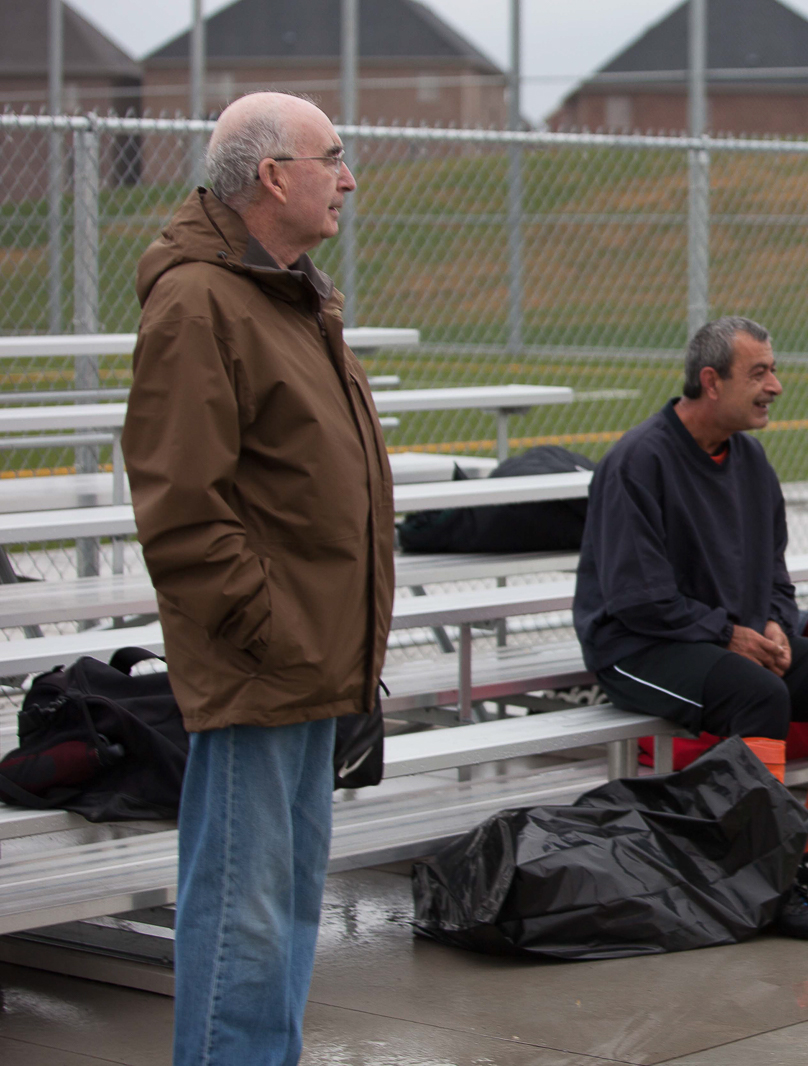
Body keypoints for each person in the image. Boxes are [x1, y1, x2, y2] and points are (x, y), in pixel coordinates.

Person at [123, 93, 393, 1066]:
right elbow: (182, 507)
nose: (348, 179)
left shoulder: (286, 294)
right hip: (265, 664)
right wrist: (271, 629)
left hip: (312, 660)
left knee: (284, 907)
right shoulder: (200, 302)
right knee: (246, 909)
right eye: (333, 158)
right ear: (274, 177)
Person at [574, 315, 808, 940]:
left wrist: (775, 622)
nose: (775, 386)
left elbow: (774, 569)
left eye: (773, 371)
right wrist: (728, 633)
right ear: (710, 381)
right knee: (758, 696)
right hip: (638, 646)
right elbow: (638, 598)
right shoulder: (639, 460)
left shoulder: (750, 459)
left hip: (729, 637)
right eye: (759, 373)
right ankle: (766, 880)